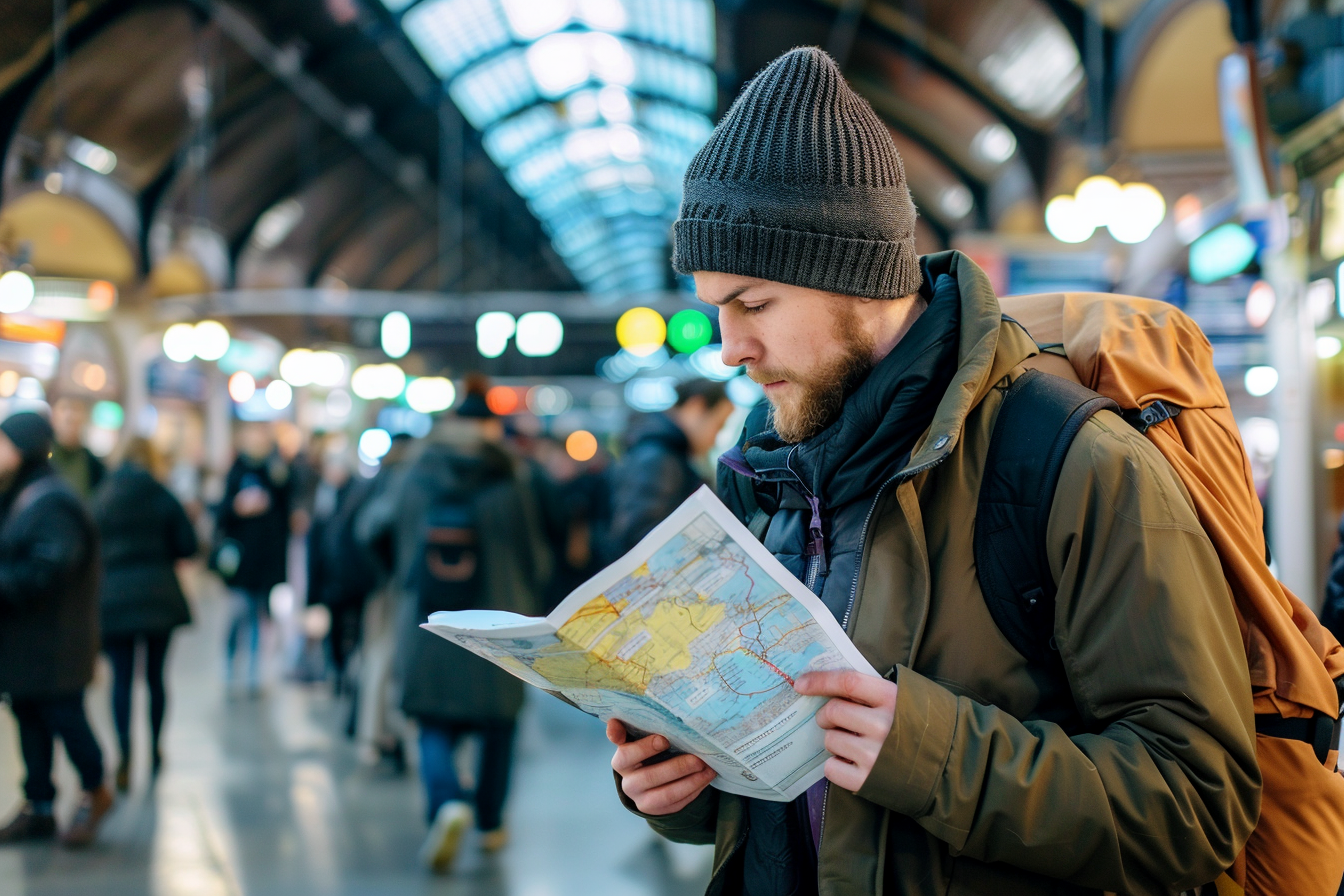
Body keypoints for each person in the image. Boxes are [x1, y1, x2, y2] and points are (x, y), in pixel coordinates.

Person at [608, 48, 1259, 896]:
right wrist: (676, 787)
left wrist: (930, 751)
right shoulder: (762, 479)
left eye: (754, 304)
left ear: (856, 277)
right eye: (715, 309)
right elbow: (779, 797)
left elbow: (1198, 803)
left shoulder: (1075, 464)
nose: (731, 347)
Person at [359, 379, 551, 873]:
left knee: (431, 718)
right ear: (489, 427)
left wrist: (402, 574)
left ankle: (447, 801)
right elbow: (534, 555)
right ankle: (489, 823)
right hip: (499, 621)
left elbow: (370, 530)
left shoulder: (415, 472)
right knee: (498, 724)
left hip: (428, 617)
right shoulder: (511, 477)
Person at [0, 411, 110, 847]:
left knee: (65, 717)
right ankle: (39, 806)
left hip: (55, 641)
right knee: (29, 716)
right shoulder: (21, 494)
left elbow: (50, 569)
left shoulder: (52, 500)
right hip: (26, 641)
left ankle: (96, 790)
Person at [93, 437, 198, 791]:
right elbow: (189, 544)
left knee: (121, 679)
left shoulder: (103, 496)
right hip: (158, 595)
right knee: (155, 678)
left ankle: (124, 751)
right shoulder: (162, 494)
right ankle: (154, 748)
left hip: (115, 597)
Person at [606, 378, 734, 557]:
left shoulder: (665, 452)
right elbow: (639, 534)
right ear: (696, 407)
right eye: (718, 425)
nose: (716, 438)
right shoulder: (659, 458)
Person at [215, 422, 293, 693]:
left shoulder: (275, 471)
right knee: (238, 614)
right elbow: (222, 514)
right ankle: (229, 664)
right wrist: (239, 507)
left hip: (265, 560)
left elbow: (286, 510)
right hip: (241, 559)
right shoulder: (236, 472)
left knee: (261, 615)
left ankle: (253, 672)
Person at [49, 396, 105, 501]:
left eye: (76, 409)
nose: (70, 415)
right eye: (64, 408)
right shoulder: (41, 457)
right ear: (53, 416)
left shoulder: (94, 465)